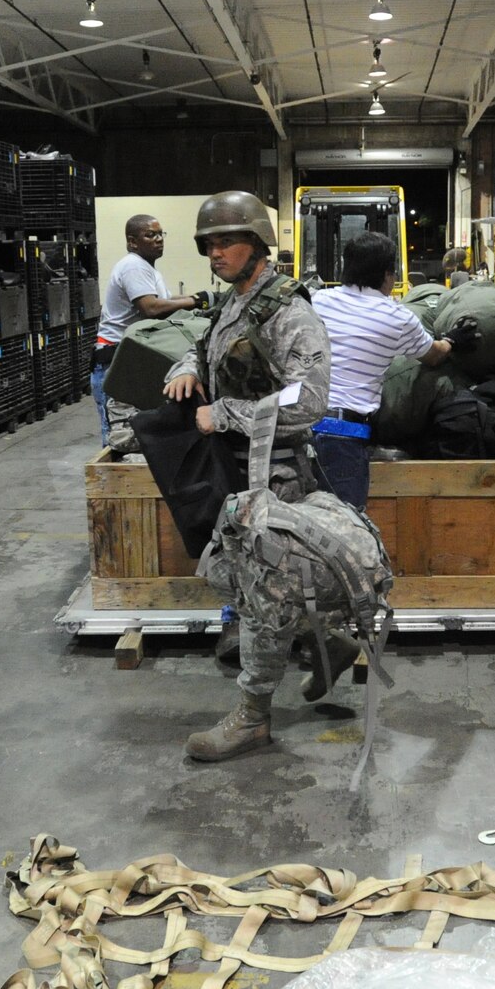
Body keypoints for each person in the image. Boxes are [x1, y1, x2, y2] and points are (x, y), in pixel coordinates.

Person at [162, 191, 335, 761]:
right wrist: (189, 369)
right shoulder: (234, 301)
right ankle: (327, 643)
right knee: (225, 575)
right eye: (208, 244)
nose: (215, 252)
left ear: (257, 244)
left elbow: (309, 402)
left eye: (226, 242)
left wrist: (226, 414)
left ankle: (253, 717)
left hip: (275, 475)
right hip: (234, 472)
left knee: (261, 598)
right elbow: (205, 346)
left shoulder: (289, 310)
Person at [313, 231, 472, 511]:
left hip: (299, 427)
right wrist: (452, 340)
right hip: (343, 436)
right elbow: (433, 356)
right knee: (343, 530)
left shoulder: (318, 301)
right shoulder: (397, 317)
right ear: (389, 274)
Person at [93, 214, 205, 443]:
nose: (158, 239)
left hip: (131, 361)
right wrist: (195, 301)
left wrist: (201, 298)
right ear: (133, 241)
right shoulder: (133, 266)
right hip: (115, 363)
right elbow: (151, 308)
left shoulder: (147, 268)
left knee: (137, 436)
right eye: (150, 235)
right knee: (120, 438)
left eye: (160, 234)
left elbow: (163, 300)